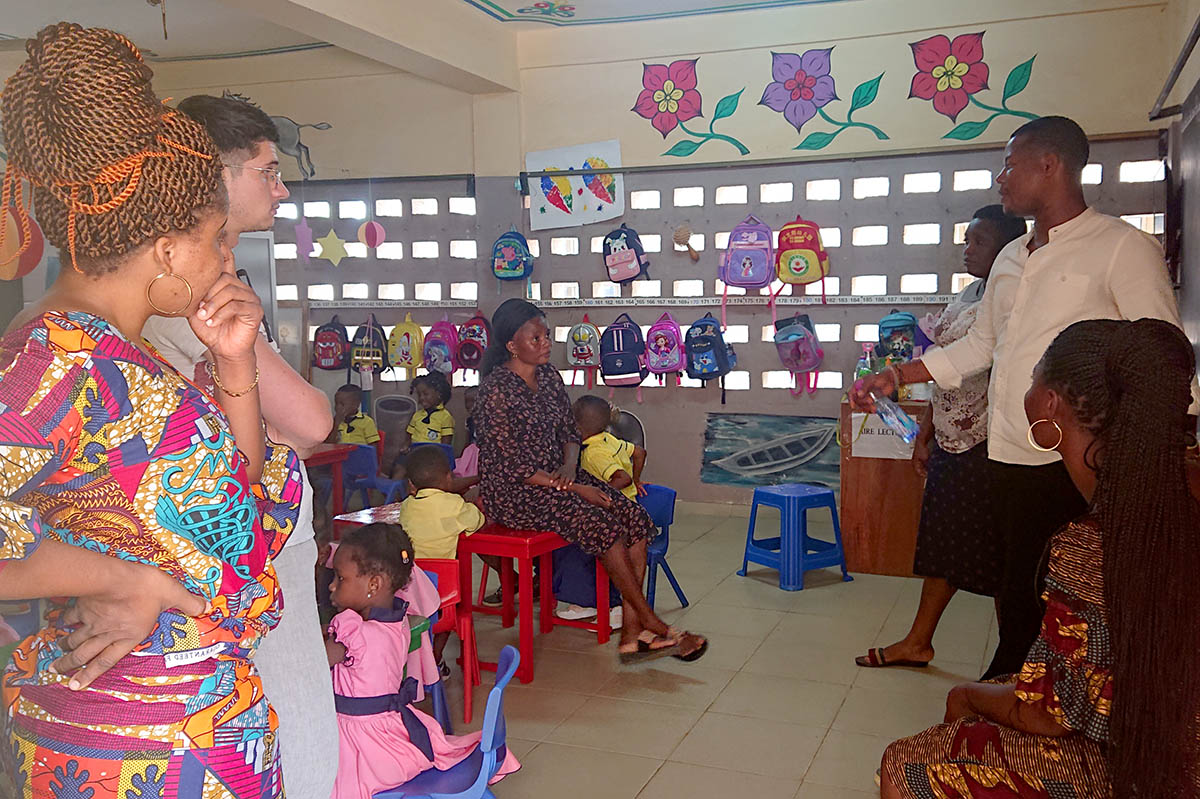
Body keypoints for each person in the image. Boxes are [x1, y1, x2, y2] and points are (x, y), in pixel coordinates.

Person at [0, 23, 302, 798]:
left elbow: (225, 499)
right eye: (214, 240)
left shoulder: (117, 353)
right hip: (132, 749)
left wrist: (235, 364)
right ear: (167, 250)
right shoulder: (52, 362)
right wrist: (118, 582)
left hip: (199, 729)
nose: (225, 259)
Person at [851, 115, 1200, 679]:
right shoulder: (1012, 257)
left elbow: (1163, 358)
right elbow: (980, 347)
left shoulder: (1120, 248)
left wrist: (1139, 449)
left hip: (1077, 465)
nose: (1000, 178)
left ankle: (1043, 701)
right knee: (1015, 588)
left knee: (1069, 594)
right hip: (1006, 452)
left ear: (1050, 165)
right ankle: (1014, 689)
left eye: (1009, 164)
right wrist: (898, 376)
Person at [880, 318, 1200, 798]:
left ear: (1049, 405)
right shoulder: (1185, 489)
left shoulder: (1094, 547)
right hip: (1168, 738)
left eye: (1032, 376)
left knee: (905, 762)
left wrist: (966, 694)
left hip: (1146, 767)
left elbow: (1047, 714)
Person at [141, 92, 338, 799]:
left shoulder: (202, 283)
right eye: (267, 170)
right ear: (213, 180)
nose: (281, 188)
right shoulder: (196, 290)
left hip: (233, 539)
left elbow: (256, 447)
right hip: (239, 551)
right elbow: (312, 421)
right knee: (300, 742)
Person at [475, 298, 707, 663]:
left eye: (547, 335)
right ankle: (651, 622)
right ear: (511, 345)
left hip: (558, 478)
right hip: (516, 491)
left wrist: (570, 468)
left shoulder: (549, 377)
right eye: (536, 338)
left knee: (635, 519)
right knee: (602, 525)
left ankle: (633, 634)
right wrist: (575, 487)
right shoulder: (496, 391)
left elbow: (570, 431)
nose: (546, 343)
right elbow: (511, 465)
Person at [856, 205, 1026, 669]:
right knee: (943, 545)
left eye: (979, 241)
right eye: (966, 239)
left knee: (1000, 556)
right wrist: (926, 431)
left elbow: (986, 362)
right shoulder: (970, 294)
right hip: (953, 438)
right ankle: (919, 641)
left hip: (993, 443)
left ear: (1010, 248)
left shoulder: (1020, 296)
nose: (967, 249)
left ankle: (1012, 662)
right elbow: (947, 369)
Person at [326, 523, 520, 799]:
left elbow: (315, 660)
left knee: (316, 774)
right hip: (393, 733)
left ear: (374, 585)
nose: (332, 586)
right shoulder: (398, 623)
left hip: (367, 749)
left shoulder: (355, 635)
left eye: (340, 578)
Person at [551, 395, 650, 626]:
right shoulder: (609, 439)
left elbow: (621, 478)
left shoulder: (594, 452)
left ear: (576, 426)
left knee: (577, 548)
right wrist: (638, 480)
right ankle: (588, 601)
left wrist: (601, 494)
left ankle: (614, 607)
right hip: (630, 509)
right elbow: (640, 453)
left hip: (617, 514)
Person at [397, 445, 485, 674]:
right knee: (448, 614)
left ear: (411, 485)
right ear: (449, 478)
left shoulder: (407, 506)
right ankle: (434, 661)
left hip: (409, 593)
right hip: (441, 595)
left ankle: (415, 662)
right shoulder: (453, 505)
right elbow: (476, 521)